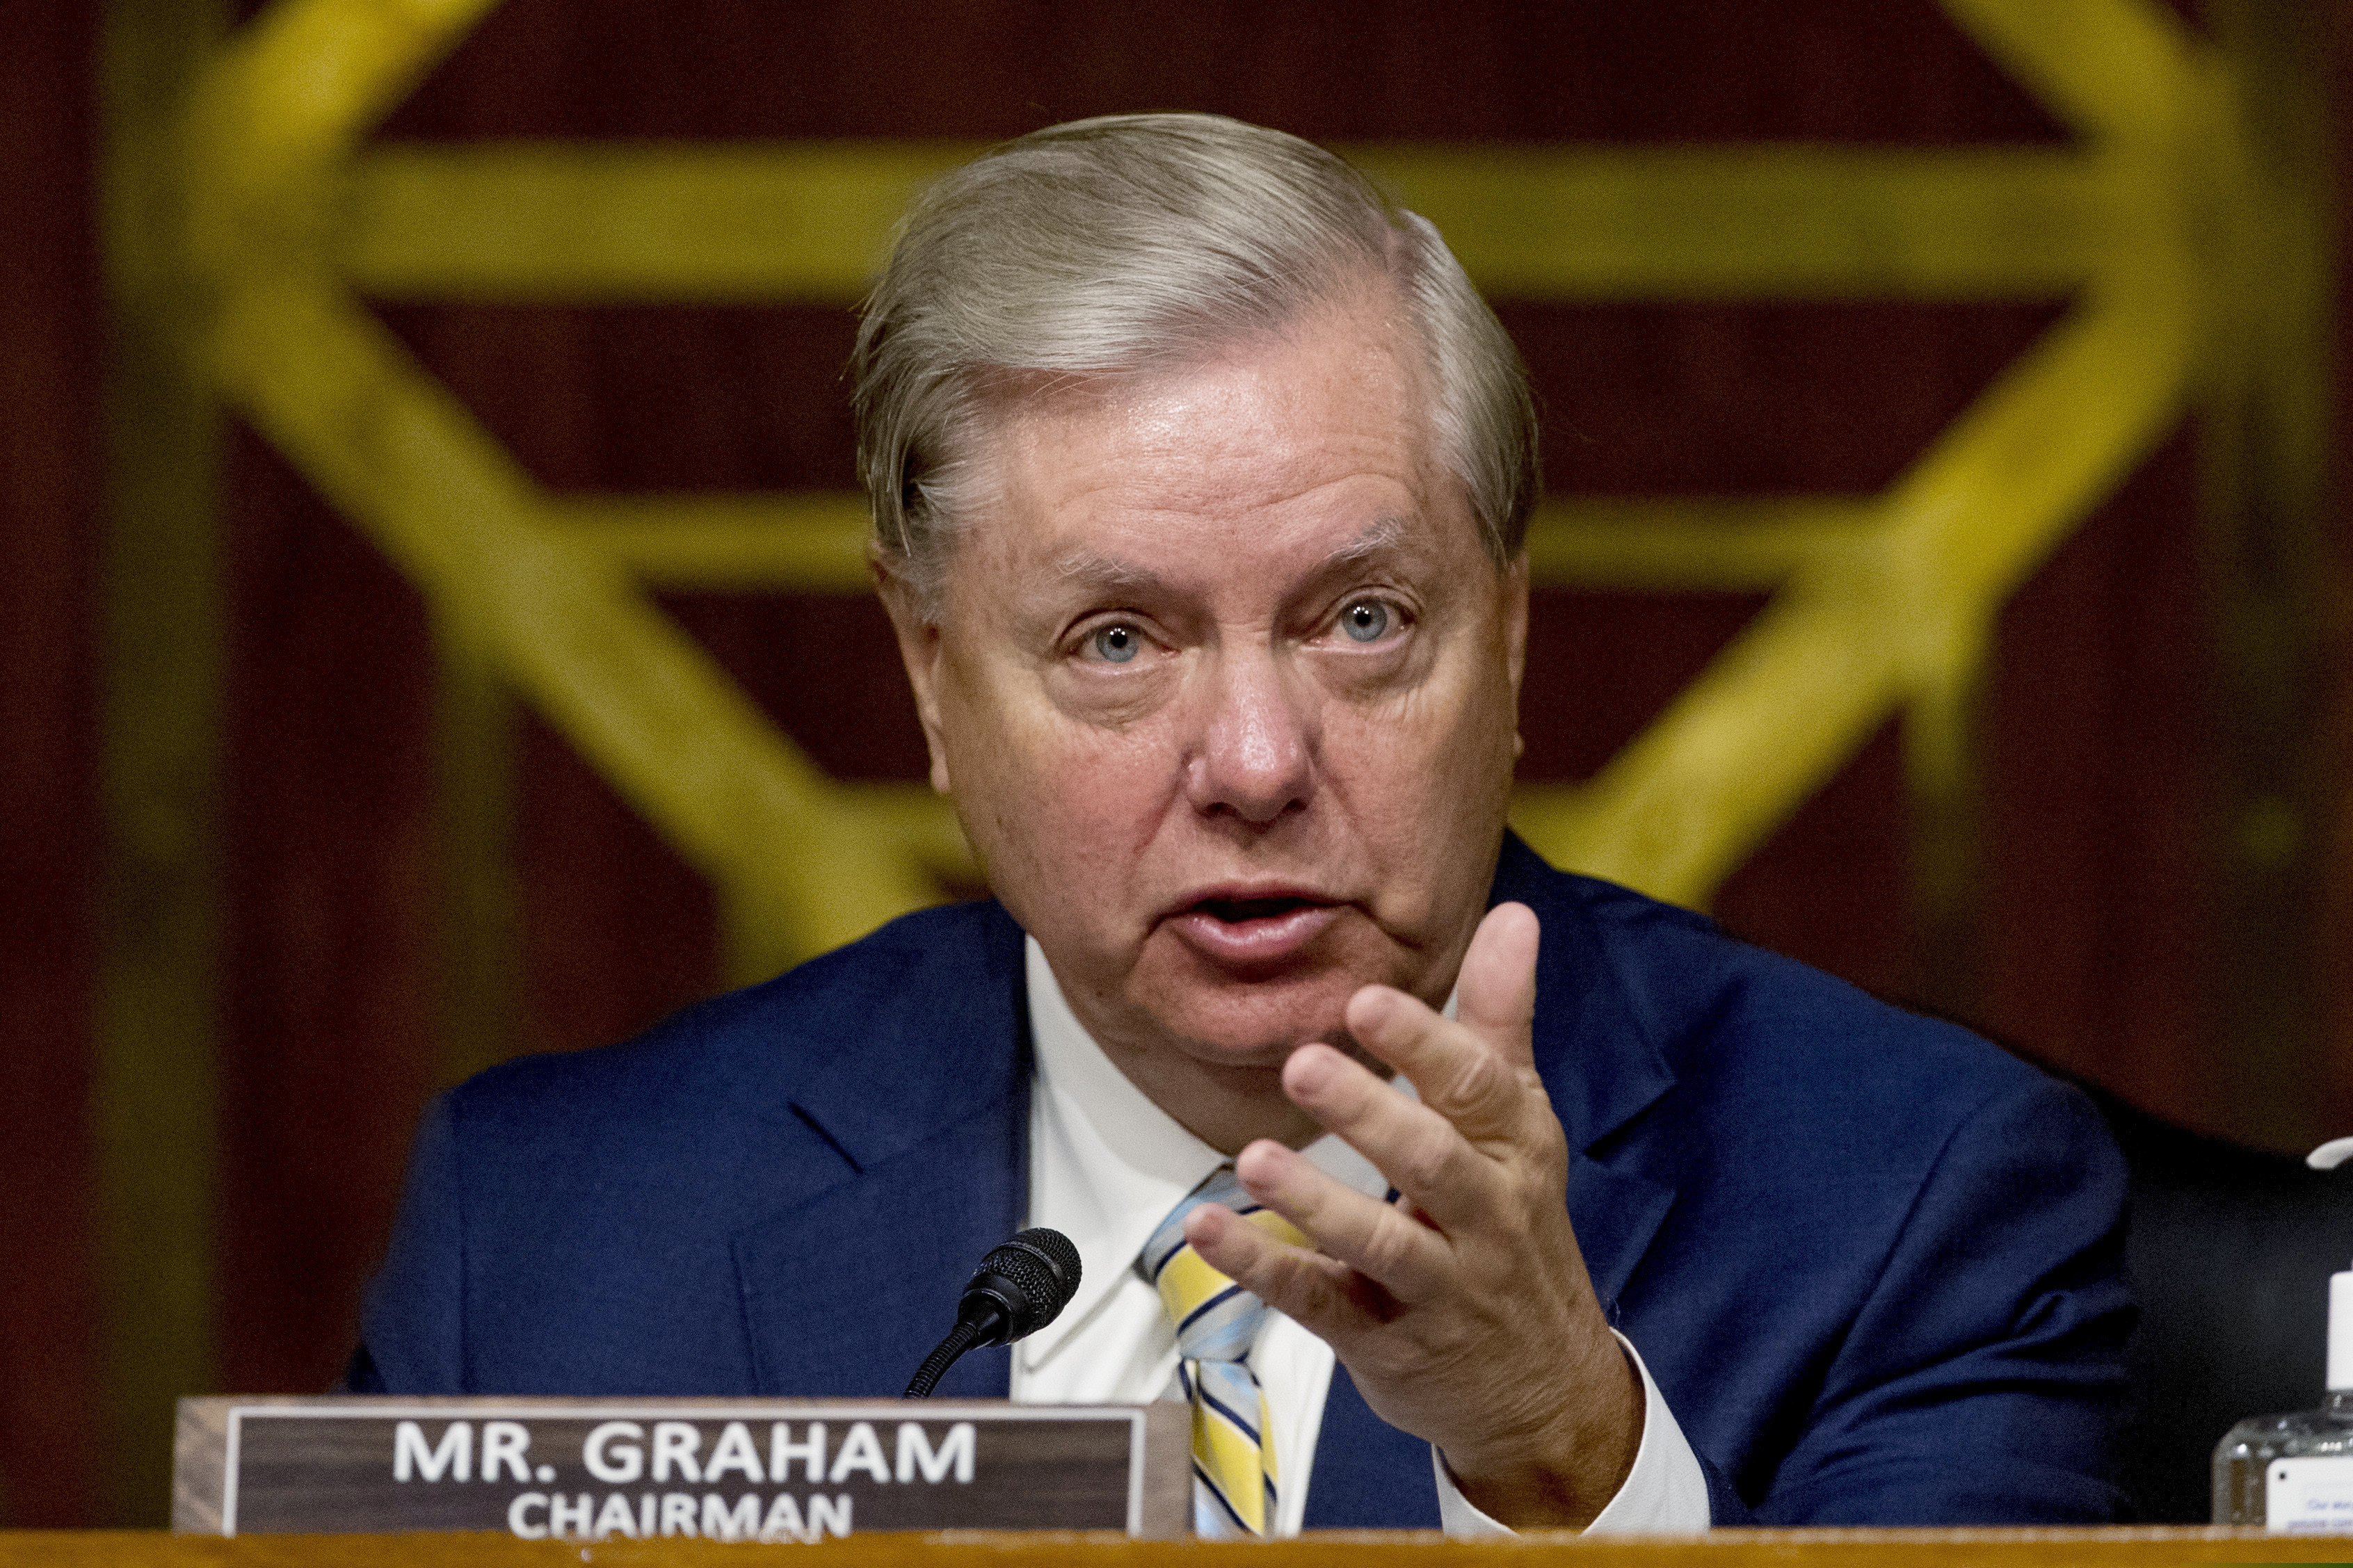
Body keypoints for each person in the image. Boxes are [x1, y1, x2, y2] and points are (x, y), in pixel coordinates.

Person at [348, 113, 2133, 1533]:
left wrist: (1561, 1456)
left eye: (1360, 618)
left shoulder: (1914, 1204)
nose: (1259, 760)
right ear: (928, 677)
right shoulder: (547, 1236)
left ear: (1503, 639)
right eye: (1117, 640)